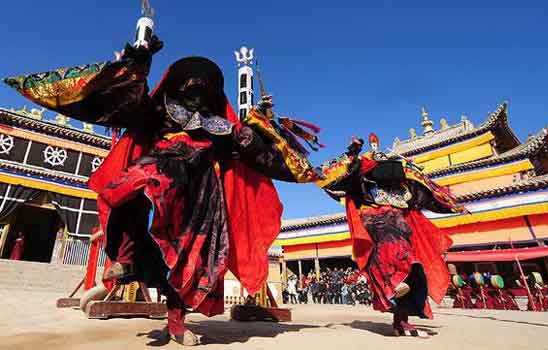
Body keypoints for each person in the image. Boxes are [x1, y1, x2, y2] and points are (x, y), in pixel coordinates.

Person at [4, 37, 322, 346]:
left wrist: (307, 168)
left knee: (187, 265)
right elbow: (128, 102)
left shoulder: (225, 129)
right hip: (157, 169)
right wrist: (141, 63)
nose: (197, 89)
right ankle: (128, 259)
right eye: (190, 82)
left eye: (205, 84)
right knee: (125, 190)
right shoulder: (159, 111)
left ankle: (176, 320)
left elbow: (263, 156)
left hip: (199, 198)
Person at [316, 135, 464, 337]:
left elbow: (427, 191)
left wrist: (451, 205)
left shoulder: (401, 185)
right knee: (394, 254)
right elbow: (330, 176)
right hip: (377, 226)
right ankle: (391, 287)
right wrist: (353, 153)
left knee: (415, 271)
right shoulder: (361, 181)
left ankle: (400, 322)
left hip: (400, 226)